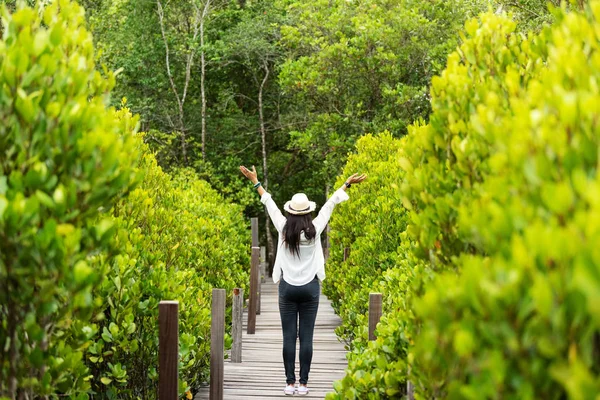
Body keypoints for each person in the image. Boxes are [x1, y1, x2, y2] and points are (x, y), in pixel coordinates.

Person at [239, 165, 367, 396]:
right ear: (308, 212)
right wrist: (346, 184)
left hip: (287, 289)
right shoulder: (315, 229)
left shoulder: (283, 228)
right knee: (306, 337)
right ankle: (304, 385)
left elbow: (269, 203)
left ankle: (290, 384)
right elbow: (330, 205)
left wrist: (255, 182)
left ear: (290, 212)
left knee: (289, 337)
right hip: (310, 289)